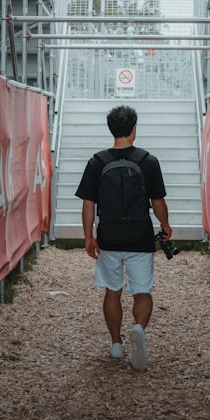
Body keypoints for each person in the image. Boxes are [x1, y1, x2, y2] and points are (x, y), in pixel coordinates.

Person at [75, 104, 172, 371]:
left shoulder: (97, 162)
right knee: (142, 292)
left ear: (111, 129)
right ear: (134, 129)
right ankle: (138, 328)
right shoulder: (148, 161)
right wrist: (165, 225)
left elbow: (87, 204)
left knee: (112, 290)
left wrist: (88, 237)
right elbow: (158, 201)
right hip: (139, 237)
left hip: (109, 237)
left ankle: (116, 344)